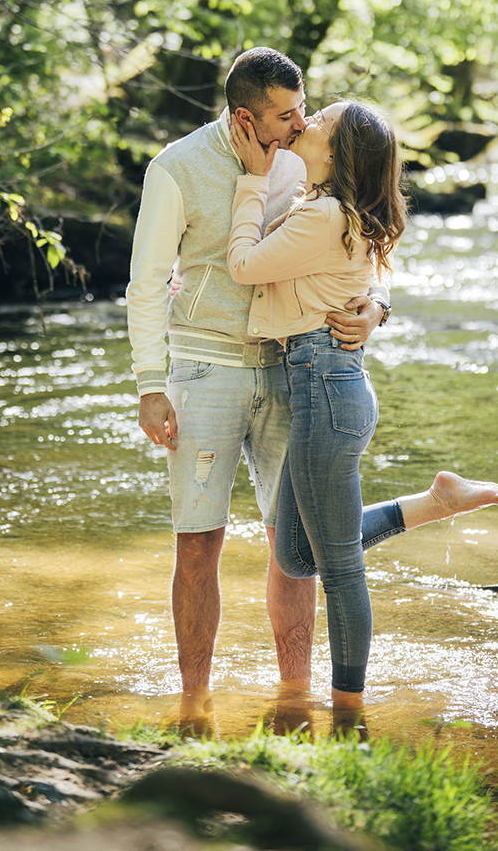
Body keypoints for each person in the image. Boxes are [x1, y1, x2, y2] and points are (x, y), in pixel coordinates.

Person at [127, 48, 391, 720]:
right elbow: (146, 282)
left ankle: (294, 696)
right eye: (284, 115)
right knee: (198, 542)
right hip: (204, 368)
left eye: (304, 108)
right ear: (246, 115)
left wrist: (377, 311)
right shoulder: (176, 167)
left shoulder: (307, 158)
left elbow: (357, 245)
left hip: (289, 371)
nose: (299, 124)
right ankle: (194, 703)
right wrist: (150, 383)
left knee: (290, 547)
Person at [227, 99, 498, 713]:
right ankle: (436, 503)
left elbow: (244, 265)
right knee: (298, 554)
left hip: (325, 389)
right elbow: (364, 274)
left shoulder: (324, 214)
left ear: (336, 153)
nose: (304, 124)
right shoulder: (336, 212)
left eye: (319, 121)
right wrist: (377, 302)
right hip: (326, 387)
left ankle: (348, 711)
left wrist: (252, 181)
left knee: (339, 571)